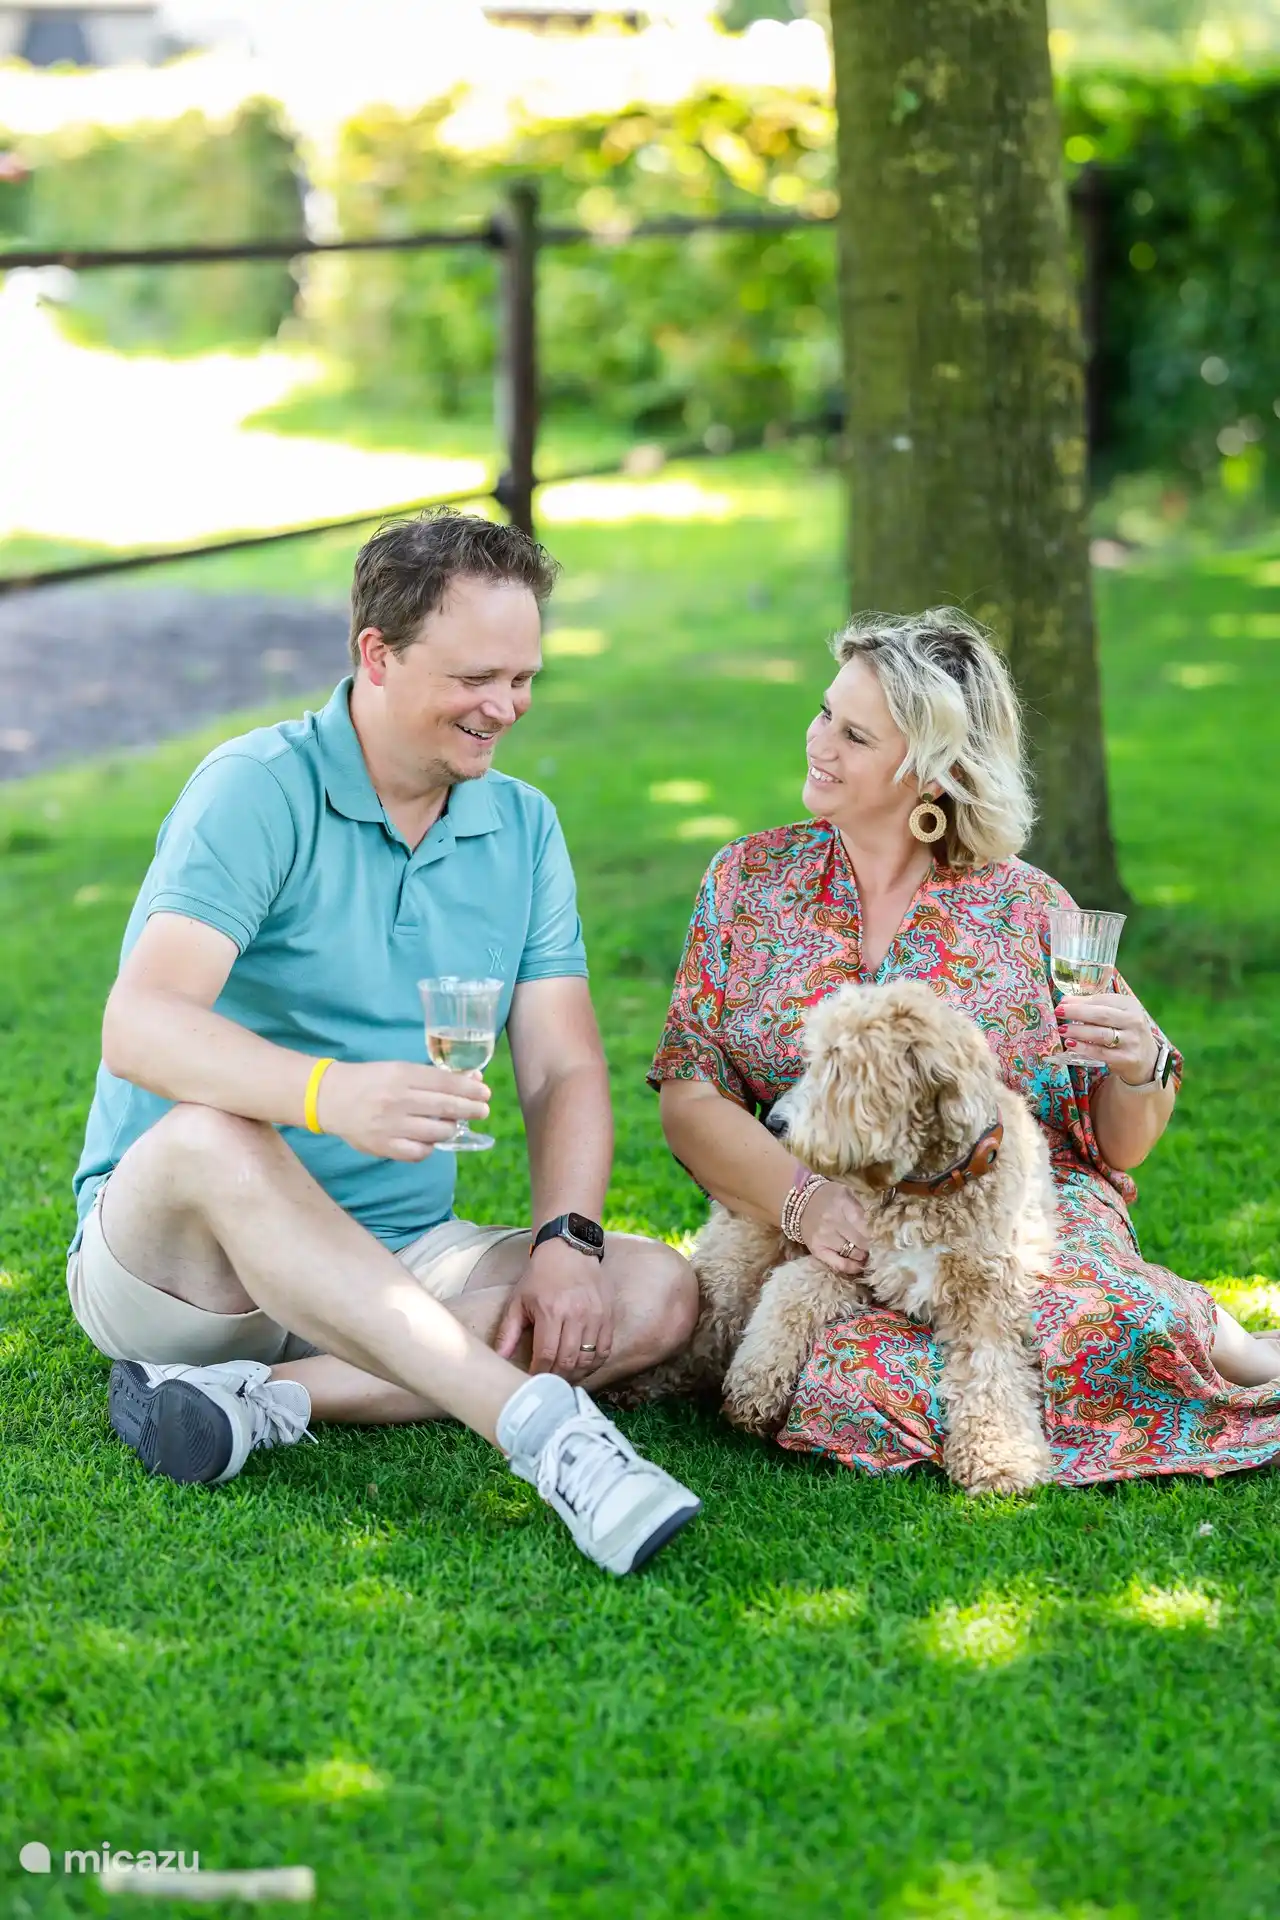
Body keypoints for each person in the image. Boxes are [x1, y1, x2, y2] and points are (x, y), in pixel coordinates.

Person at [66, 509, 701, 1576]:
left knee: (656, 1295)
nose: (505, 707)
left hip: (400, 1255)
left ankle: (259, 1402)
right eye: (475, 677)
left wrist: (565, 1244)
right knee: (219, 1135)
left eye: (523, 677)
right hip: (191, 1268)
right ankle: (546, 1435)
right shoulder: (255, 789)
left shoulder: (523, 827)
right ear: (376, 654)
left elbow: (561, 1065)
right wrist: (327, 1094)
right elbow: (140, 1024)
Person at [650, 607, 1280, 1485]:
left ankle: (1230, 1347)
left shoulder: (1027, 907)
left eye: (855, 733)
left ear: (931, 772)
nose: (819, 741)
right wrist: (803, 1203)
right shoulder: (749, 882)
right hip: (825, 1220)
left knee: (1100, 1322)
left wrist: (1143, 1064)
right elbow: (690, 1093)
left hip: (1013, 1216)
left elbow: (1119, 1139)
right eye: (825, 711)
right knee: (842, 1374)